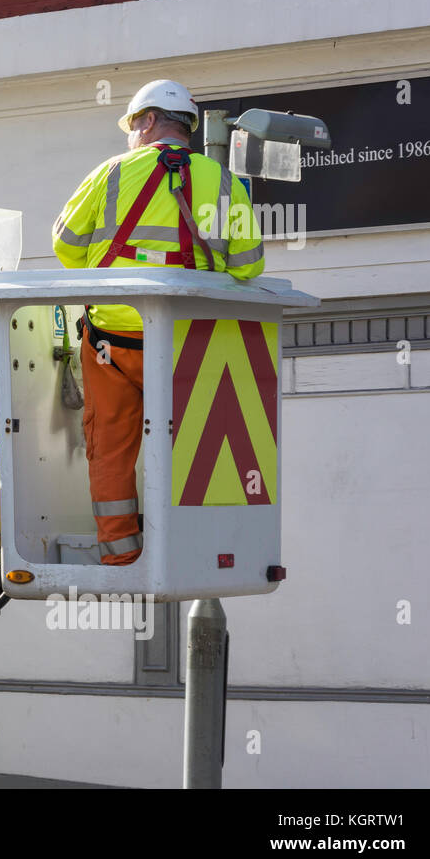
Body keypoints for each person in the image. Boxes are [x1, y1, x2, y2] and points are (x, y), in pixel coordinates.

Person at [51, 79, 264, 565]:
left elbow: (65, 246)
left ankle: (121, 556)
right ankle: (197, 554)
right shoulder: (221, 180)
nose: (130, 136)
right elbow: (250, 265)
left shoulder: (109, 174)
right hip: (193, 346)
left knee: (110, 450)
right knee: (202, 451)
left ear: (148, 121)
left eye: (132, 126)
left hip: (112, 346)